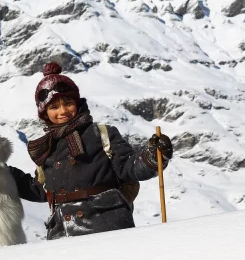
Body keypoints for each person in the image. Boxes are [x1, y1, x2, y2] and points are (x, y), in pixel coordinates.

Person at [9, 63, 173, 240]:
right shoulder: (46, 148)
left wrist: (152, 156)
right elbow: (42, 190)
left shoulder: (101, 134)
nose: (63, 111)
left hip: (107, 226)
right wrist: (1, 172)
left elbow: (129, 167)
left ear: (77, 104)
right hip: (62, 235)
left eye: (68, 103)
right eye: (54, 107)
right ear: (44, 113)